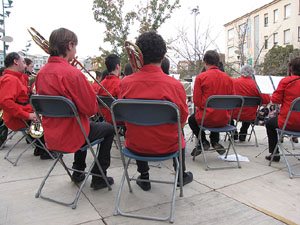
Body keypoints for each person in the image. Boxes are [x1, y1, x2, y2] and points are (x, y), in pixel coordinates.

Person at [35, 28, 114, 190]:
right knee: (108, 128)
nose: (76, 50)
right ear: (70, 45)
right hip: (73, 136)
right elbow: (91, 109)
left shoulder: (41, 73)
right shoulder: (73, 74)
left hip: (52, 136)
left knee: (83, 123)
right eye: (75, 46)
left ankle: (78, 171)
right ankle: (99, 176)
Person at [119, 31, 193, 191]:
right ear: (164, 55)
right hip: (167, 147)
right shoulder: (175, 85)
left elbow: (123, 118)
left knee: (138, 129)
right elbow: (182, 119)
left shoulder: (125, 83)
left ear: (139, 54)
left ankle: (144, 176)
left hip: (135, 145)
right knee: (179, 134)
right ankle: (181, 174)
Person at [0, 52, 51, 159]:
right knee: (50, 118)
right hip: (20, 119)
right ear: (15, 62)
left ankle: (40, 147)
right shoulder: (10, 79)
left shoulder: (15, 78)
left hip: (23, 116)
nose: (25, 65)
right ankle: (45, 149)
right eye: (23, 62)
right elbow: (5, 103)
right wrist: (27, 115)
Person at [188, 50, 234, 156]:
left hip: (206, 118)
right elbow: (232, 102)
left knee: (192, 120)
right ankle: (215, 141)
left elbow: (197, 102)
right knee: (217, 113)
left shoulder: (201, 77)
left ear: (205, 62)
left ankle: (203, 141)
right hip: (224, 119)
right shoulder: (229, 79)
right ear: (218, 62)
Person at [265, 57, 300, 162]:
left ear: (291, 69)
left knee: (270, 123)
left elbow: (275, 100)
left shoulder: (286, 81)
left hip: (289, 122)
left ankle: (274, 153)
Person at [232, 65, 270, 141]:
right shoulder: (256, 85)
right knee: (249, 112)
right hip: (250, 115)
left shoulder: (233, 82)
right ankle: (243, 132)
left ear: (242, 72)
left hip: (234, 113)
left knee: (227, 112)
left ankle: (233, 131)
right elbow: (267, 100)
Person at [97, 53, 122, 124]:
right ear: (117, 66)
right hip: (119, 119)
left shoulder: (101, 84)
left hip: (106, 118)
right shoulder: (120, 84)